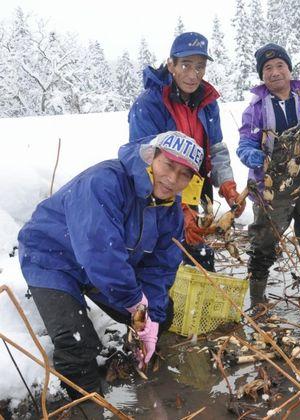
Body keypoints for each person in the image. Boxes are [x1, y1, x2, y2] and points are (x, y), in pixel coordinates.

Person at [18, 131, 203, 400]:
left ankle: (142, 363)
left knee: (161, 315)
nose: (173, 179)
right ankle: (90, 406)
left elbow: (160, 267)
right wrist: (135, 302)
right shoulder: (104, 182)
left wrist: (149, 320)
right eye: (168, 166)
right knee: (77, 344)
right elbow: (100, 254)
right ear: (152, 157)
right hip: (52, 257)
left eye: (184, 174)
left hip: (100, 272)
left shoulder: (170, 209)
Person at [128, 32, 245, 271]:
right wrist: (178, 208)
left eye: (200, 67)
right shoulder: (150, 104)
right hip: (162, 188)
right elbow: (140, 158)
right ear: (171, 64)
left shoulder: (208, 102)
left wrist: (227, 184)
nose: (193, 75)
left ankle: (194, 297)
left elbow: (216, 149)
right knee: (165, 252)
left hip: (195, 185)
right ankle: (157, 302)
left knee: (199, 251)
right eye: (186, 65)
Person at [236, 43, 300, 304]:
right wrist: (251, 154)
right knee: (263, 243)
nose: (275, 72)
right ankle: (257, 300)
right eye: (268, 68)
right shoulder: (256, 108)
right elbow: (245, 141)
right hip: (272, 187)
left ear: (290, 70)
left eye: (280, 65)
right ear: (262, 75)